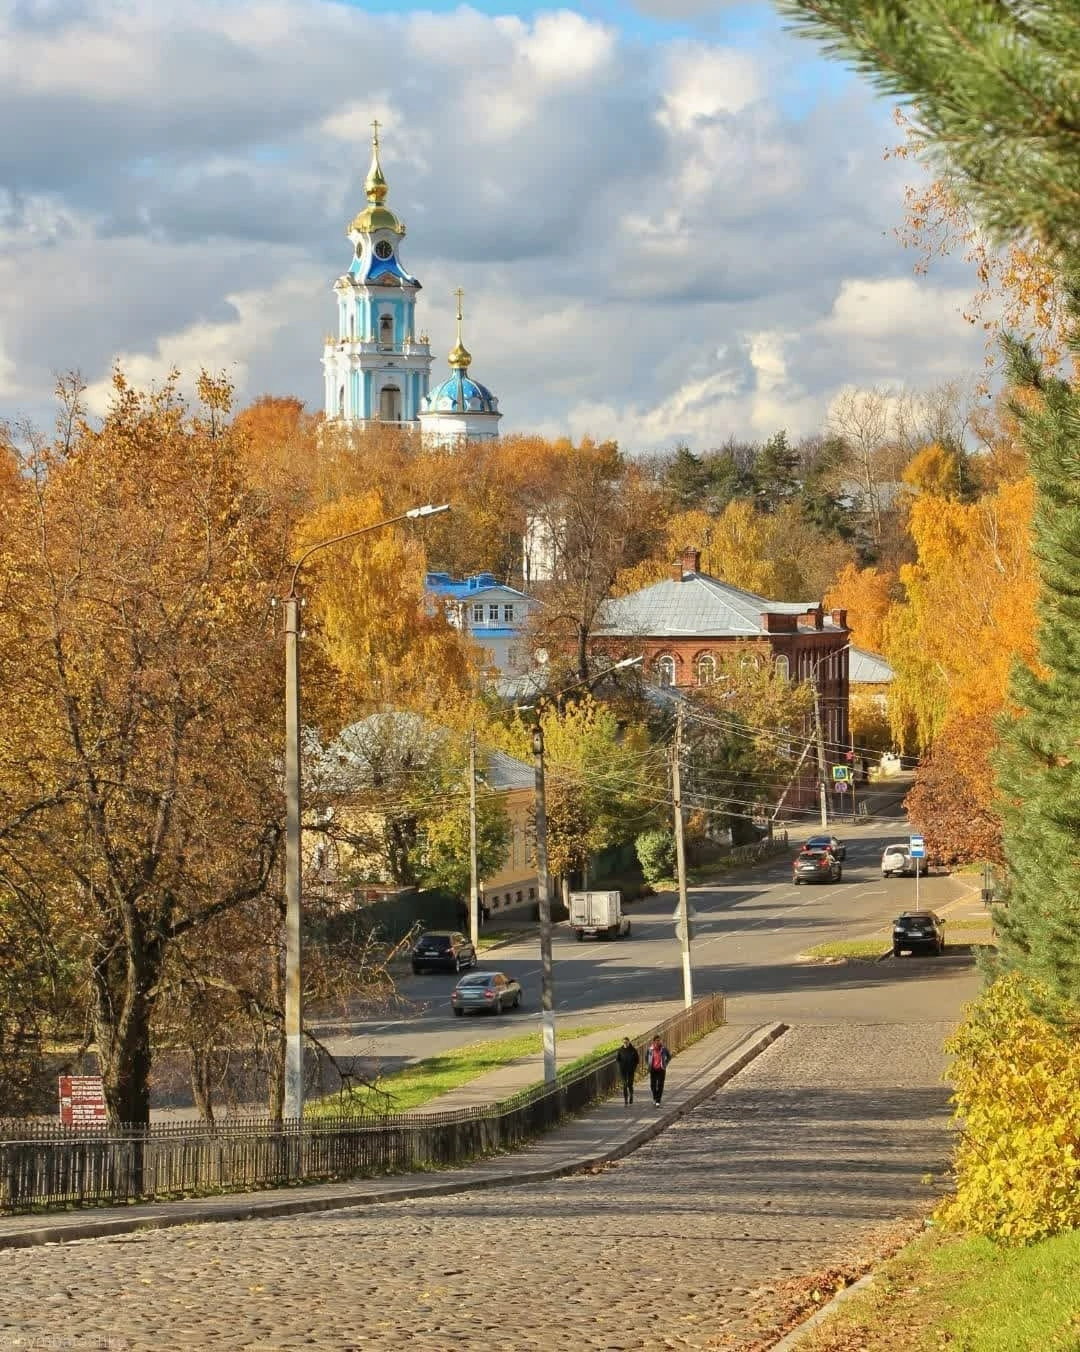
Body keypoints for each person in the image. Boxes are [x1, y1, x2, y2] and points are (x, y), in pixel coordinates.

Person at [646, 1034, 671, 1105]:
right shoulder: (650, 1049)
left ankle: (658, 1101)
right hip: (653, 1069)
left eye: (659, 1040)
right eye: (657, 1040)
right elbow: (646, 1057)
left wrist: (665, 1063)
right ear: (654, 1041)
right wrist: (648, 1064)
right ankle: (655, 1097)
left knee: (660, 1085)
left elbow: (669, 1056)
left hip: (661, 1069)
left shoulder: (664, 1049)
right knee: (652, 1085)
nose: (658, 1042)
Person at [615, 1037, 639, 1105]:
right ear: (623, 1043)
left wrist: (634, 1068)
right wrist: (620, 1065)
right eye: (624, 1042)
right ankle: (625, 1100)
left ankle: (631, 1095)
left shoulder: (633, 1050)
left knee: (630, 1084)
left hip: (631, 1070)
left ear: (629, 1042)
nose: (625, 1044)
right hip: (623, 1071)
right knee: (625, 1085)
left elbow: (637, 1060)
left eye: (626, 1042)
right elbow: (617, 1059)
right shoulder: (620, 1050)